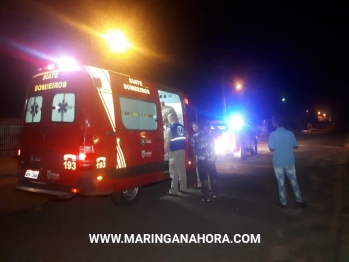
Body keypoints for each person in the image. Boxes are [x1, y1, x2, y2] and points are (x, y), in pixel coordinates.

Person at [268, 116, 307, 208]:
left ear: (276, 123)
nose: (273, 124)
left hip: (278, 162)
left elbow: (271, 148)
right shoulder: (290, 133)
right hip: (289, 161)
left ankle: (283, 202)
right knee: (294, 181)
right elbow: (296, 146)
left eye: (273, 122)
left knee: (281, 182)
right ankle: (299, 201)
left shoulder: (273, 134)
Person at [191, 121, 218, 202]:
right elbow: (214, 147)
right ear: (205, 127)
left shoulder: (194, 136)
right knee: (213, 177)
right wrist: (215, 156)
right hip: (211, 159)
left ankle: (207, 197)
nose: (209, 129)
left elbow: (193, 150)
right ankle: (215, 194)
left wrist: (194, 160)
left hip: (201, 160)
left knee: (204, 179)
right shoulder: (211, 135)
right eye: (208, 127)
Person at [164, 113, 187, 196]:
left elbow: (168, 141)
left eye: (168, 119)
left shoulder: (170, 128)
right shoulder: (182, 127)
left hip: (174, 151)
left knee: (174, 172)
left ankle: (173, 191)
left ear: (171, 119)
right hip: (182, 151)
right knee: (182, 171)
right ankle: (183, 188)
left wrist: (164, 150)